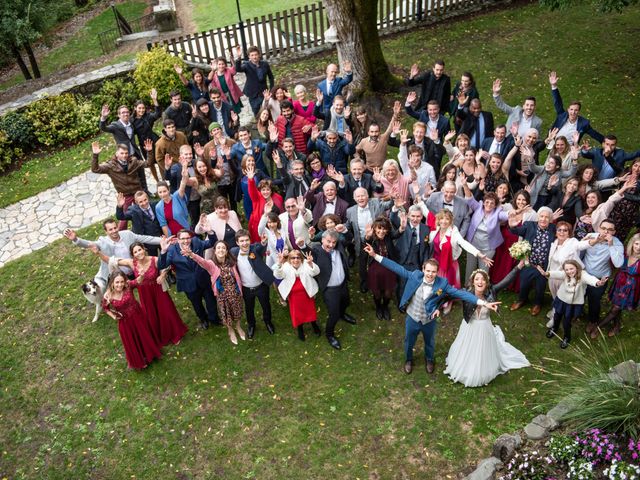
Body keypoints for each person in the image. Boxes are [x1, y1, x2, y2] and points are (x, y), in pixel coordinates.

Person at [364, 248, 499, 374]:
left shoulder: (442, 284)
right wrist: (375, 255)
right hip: (412, 317)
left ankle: (429, 359)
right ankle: (408, 359)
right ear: (423, 269)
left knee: (430, 341)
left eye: (433, 272)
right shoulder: (415, 276)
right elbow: (396, 267)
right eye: (428, 271)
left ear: (437, 272)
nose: (430, 274)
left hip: (429, 319)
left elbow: (461, 294)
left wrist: (483, 303)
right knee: (409, 341)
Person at [444, 264, 530, 386]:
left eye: (483, 279)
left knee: (483, 350)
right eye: (477, 279)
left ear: (487, 282)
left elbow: (507, 280)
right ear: (473, 282)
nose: (480, 281)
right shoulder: (465, 293)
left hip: (484, 328)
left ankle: (482, 370)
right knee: (467, 348)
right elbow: (447, 295)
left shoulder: (492, 291)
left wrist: (519, 266)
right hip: (469, 328)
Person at [93, 242, 188, 347]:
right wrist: (98, 253)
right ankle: (158, 337)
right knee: (151, 314)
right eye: (135, 252)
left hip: (158, 291)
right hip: (145, 294)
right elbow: (111, 261)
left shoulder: (154, 259)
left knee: (166, 311)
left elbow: (166, 265)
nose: (138, 253)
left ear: (144, 249)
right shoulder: (131, 263)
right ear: (132, 254)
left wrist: (163, 275)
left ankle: (174, 333)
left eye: (139, 250)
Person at [63, 219, 162, 291]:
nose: (114, 231)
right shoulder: (103, 241)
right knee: (126, 295)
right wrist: (76, 239)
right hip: (120, 275)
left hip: (135, 269)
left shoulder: (128, 234)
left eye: (115, 228)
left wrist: (162, 240)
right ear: (106, 231)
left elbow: (145, 238)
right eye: (110, 229)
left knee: (146, 288)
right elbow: (89, 244)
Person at [430, 209, 492, 315]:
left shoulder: (454, 231)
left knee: (448, 284)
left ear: (450, 221)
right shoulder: (436, 229)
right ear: (438, 220)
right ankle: (437, 301)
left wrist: (479, 254)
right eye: (441, 218)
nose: (444, 221)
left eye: (447, 219)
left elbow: (463, 243)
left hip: (449, 264)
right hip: (436, 263)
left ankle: (448, 302)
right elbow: (426, 212)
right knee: (436, 283)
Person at [184, 240, 245, 344]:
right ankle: (230, 330)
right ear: (215, 251)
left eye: (223, 248)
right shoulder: (211, 265)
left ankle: (238, 327)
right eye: (218, 248)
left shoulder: (232, 262)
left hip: (235, 293)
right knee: (226, 314)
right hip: (222, 296)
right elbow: (202, 261)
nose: (221, 250)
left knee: (237, 311)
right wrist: (192, 254)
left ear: (226, 251)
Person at [100, 270, 162, 369]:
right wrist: (114, 316)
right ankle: (141, 360)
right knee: (133, 340)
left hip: (138, 316)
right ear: (112, 283)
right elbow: (105, 308)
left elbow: (138, 281)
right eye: (117, 282)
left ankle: (151, 354)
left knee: (143, 335)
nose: (120, 285)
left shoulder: (128, 286)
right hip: (125, 322)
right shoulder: (108, 296)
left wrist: (141, 275)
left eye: (121, 282)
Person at [540, 260, 606, 348]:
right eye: (566, 269)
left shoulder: (582, 275)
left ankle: (567, 337)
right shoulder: (565, 274)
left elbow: (590, 279)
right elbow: (557, 274)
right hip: (561, 299)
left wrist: (598, 282)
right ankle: (554, 328)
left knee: (567, 322)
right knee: (557, 316)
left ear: (577, 267)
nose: (569, 271)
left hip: (572, 304)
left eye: (571, 269)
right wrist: (547, 273)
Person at [91, 140, 153, 231]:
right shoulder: (110, 166)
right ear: (117, 154)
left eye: (126, 153)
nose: (124, 155)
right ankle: (120, 234)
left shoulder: (133, 161)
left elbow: (148, 163)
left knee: (145, 209)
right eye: (122, 153)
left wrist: (150, 151)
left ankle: (150, 225)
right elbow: (95, 169)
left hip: (137, 192)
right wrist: (95, 155)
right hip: (125, 195)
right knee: (123, 217)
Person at [310, 230, 356, 350]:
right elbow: (306, 250)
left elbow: (350, 238)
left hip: (342, 284)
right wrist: (302, 245)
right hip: (330, 290)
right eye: (328, 242)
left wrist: (346, 231)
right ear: (322, 240)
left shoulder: (339, 246)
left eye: (334, 242)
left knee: (346, 302)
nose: (331, 245)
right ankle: (330, 334)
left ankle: (343, 314)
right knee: (333, 315)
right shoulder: (317, 250)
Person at [578, 219, 624, 335]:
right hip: (584, 274)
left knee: (594, 301)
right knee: (580, 295)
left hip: (600, 277)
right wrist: (585, 242)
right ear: (598, 228)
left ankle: (593, 321)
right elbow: (577, 250)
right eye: (603, 228)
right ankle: (578, 312)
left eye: (609, 230)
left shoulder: (617, 243)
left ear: (614, 232)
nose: (606, 232)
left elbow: (618, 263)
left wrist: (611, 245)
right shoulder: (590, 237)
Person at [508, 207, 556, 315]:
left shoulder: (554, 229)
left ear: (550, 220)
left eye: (547, 217)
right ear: (538, 217)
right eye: (541, 216)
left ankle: (538, 304)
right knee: (524, 284)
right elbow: (516, 231)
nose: (543, 219)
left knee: (540, 287)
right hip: (529, 263)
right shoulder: (529, 225)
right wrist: (512, 225)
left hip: (543, 266)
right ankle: (521, 300)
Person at [345, 187, 393, 292]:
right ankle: (364, 282)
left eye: (363, 195)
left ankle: (381, 280)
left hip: (378, 239)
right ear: (354, 198)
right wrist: (343, 229)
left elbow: (388, 205)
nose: (360, 198)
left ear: (367, 196)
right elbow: (348, 226)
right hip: (363, 241)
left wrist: (393, 198)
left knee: (379, 261)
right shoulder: (350, 211)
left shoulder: (375, 203)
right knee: (362, 263)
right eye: (358, 196)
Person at [230, 230, 276, 339]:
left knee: (266, 305)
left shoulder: (255, 249)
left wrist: (263, 243)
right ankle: (251, 325)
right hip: (246, 288)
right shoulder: (234, 252)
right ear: (237, 242)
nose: (245, 243)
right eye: (242, 241)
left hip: (261, 286)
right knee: (249, 308)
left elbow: (261, 247)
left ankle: (268, 322)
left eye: (247, 240)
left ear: (250, 241)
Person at [272, 250, 322, 341]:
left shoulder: (306, 263)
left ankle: (314, 325)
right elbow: (278, 275)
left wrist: (311, 264)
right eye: (293, 258)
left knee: (310, 311)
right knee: (297, 314)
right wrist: (279, 264)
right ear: (289, 260)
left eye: (298, 257)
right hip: (294, 296)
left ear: (301, 259)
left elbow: (316, 272)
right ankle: (300, 329)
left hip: (307, 293)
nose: (295, 260)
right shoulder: (286, 266)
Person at [598, 233, 640, 337]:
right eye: (637, 244)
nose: (638, 248)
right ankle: (616, 326)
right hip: (619, 284)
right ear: (632, 244)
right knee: (617, 307)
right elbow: (615, 261)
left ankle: (598, 327)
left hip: (631, 289)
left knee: (615, 309)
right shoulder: (626, 253)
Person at [548, 71, 604, 145]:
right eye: (571, 109)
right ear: (568, 110)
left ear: (579, 112)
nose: (573, 112)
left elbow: (595, 134)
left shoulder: (583, 123)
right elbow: (557, 102)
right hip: (555, 146)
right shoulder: (562, 115)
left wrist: (606, 142)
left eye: (576, 110)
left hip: (569, 150)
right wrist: (554, 86)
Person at [461, 188, 504, 279]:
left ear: (495, 205)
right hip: (473, 245)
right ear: (483, 202)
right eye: (487, 202)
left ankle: (482, 290)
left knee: (484, 270)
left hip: (488, 248)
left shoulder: (497, 213)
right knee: (470, 267)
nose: (489, 204)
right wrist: (464, 185)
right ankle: (467, 287)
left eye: (492, 203)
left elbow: (505, 215)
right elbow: (469, 198)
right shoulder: (478, 207)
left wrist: (514, 213)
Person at [364, 217, 398, 320]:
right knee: (377, 292)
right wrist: (367, 236)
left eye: (384, 229)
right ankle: (378, 307)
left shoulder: (388, 237)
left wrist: (402, 227)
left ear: (387, 230)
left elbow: (398, 233)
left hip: (389, 267)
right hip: (375, 269)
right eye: (379, 228)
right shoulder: (371, 238)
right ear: (374, 228)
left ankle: (385, 307)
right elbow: (364, 243)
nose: (381, 231)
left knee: (388, 292)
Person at [115, 191, 163, 256]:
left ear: (148, 198)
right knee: (153, 258)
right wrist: (120, 206)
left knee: (166, 255)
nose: (144, 203)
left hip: (160, 236)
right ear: (136, 203)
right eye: (140, 202)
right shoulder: (133, 211)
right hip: (148, 241)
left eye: (145, 200)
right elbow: (121, 217)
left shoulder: (155, 205)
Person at [356, 102, 401, 170]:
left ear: (379, 132)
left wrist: (395, 114)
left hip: (383, 170)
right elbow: (355, 150)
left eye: (376, 132)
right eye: (372, 132)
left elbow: (390, 126)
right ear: (368, 133)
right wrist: (360, 162)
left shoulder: (383, 138)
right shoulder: (363, 141)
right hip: (369, 170)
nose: (374, 134)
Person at [246, 164, 284, 242]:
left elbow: (282, 212)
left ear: (271, 190)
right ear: (260, 191)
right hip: (261, 228)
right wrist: (251, 180)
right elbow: (252, 190)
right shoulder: (257, 198)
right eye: (263, 190)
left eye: (267, 189)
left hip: (275, 226)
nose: (265, 192)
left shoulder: (278, 197)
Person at [132, 90, 163, 182]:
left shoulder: (148, 116)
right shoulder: (132, 121)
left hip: (154, 141)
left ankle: (164, 180)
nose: (141, 110)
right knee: (150, 163)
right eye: (139, 108)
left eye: (143, 108)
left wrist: (154, 100)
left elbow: (158, 114)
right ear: (135, 108)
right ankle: (157, 181)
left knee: (159, 160)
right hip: (144, 144)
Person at [234, 45, 274, 116]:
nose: (254, 57)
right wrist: (239, 57)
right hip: (253, 94)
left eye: (256, 55)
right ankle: (259, 125)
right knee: (256, 112)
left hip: (263, 92)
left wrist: (271, 90)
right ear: (249, 56)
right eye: (252, 55)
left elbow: (271, 77)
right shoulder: (246, 65)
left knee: (266, 111)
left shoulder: (264, 64)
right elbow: (238, 69)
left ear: (259, 55)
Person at [155, 158, 190, 236]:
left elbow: (183, 184)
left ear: (168, 190)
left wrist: (184, 171)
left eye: (164, 191)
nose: (163, 194)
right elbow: (163, 225)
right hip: (172, 235)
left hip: (185, 232)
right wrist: (169, 238)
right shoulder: (158, 207)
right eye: (160, 192)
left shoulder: (177, 196)